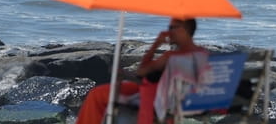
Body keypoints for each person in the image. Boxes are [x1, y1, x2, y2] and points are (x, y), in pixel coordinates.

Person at [76, 18, 205, 124]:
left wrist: (156, 44)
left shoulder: (172, 56)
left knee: (97, 94)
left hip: (153, 94)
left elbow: (141, 72)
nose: (169, 31)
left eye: (173, 28)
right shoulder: (201, 54)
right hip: (167, 95)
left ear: (186, 30)